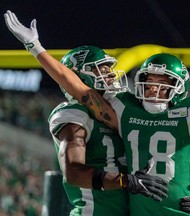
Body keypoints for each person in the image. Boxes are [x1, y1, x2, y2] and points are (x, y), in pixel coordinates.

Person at [4, 1, 190, 215]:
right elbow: (80, 91)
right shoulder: (106, 111)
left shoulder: (167, 111)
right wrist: (35, 47)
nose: (154, 88)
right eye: (149, 82)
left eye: (163, 83)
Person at [48, 45, 170, 215]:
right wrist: (124, 181)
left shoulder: (121, 110)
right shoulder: (73, 114)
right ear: (80, 76)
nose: (111, 74)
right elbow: (74, 173)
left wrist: (186, 195)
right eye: (102, 69)